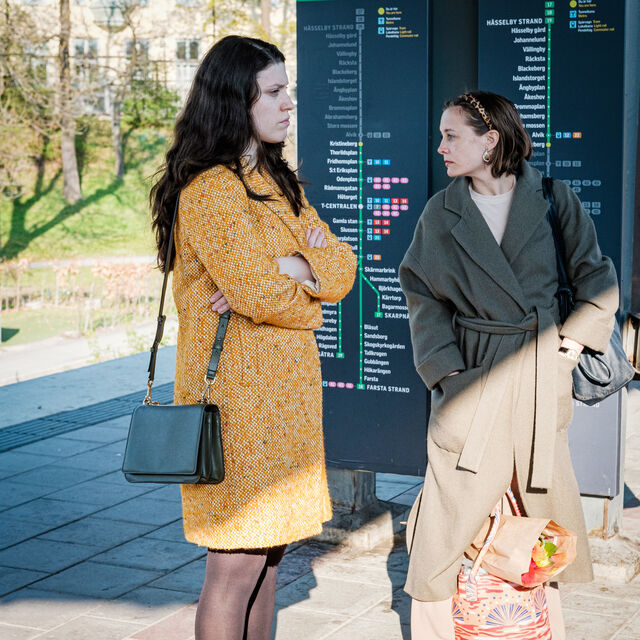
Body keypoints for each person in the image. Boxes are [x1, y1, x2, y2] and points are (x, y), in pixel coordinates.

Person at [150, 35, 357, 640]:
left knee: (269, 560)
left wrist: (291, 268)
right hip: (235, 405)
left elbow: (344, 269)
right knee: (236, 565)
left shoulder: (276, 181)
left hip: (285, 402)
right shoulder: (211, 189)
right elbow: (256, 295)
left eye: (287, 89)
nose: (289, 103)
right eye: (273, 91)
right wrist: (305, 279)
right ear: (234, 99)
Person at [398, 90, 618, 639]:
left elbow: (596, 275)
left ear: (490, 140)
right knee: (446, 524)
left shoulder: (553, 198)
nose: (441, 147)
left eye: (452, 135)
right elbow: (422, 294)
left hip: (539, 377)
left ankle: (542, 630)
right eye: (442, 136)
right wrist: (447, 372)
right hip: (472, 378)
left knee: (536, 514)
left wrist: (571, 345)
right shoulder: (441, 211)